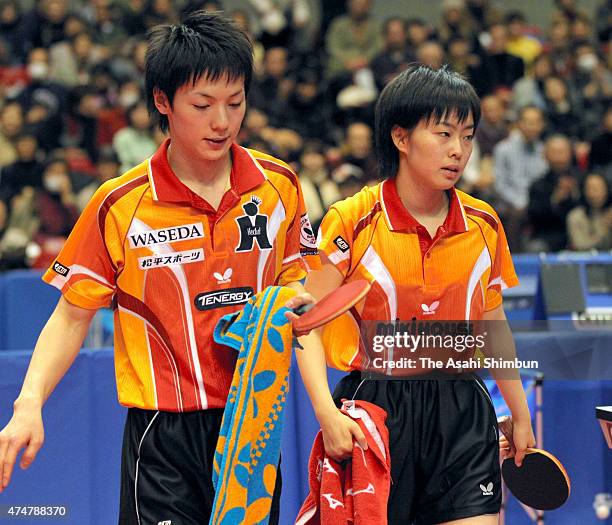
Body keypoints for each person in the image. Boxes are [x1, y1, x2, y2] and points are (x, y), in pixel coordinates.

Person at [0, 11, 318, 525]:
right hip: (164, 437)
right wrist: (28, 403)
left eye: (235, 103)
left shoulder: (279, 185)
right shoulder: (119, 204)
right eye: (203, 104)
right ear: (163, 102)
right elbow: (71, 316)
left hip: (256, 430)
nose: (222, 122)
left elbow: (296, 284)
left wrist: (299, 311)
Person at [289, 65, 535, 524]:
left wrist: (520, 414)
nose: (458, 150)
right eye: (443, 133)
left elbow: (493, 326)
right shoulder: (352, 220)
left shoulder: (484, 224)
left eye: (467, 135)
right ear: (401, 138)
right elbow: (306, 326)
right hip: (379, 409)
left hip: (463, 407)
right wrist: (326, 413)